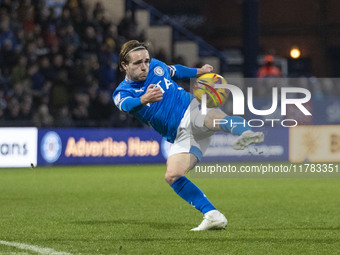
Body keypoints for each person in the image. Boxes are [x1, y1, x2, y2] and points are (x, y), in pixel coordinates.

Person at [112, 40, 264, 231]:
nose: (144, 66)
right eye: (137, 63)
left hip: (190, 109)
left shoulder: (156, 66)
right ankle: (213, 215)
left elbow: (176, 70)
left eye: (146, 61)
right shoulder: (121, 92)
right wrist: (143, 99)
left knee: (209, 118)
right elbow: (126, 105)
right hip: (180, 135)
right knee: (173, 175)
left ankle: (247, 132)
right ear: (124, 66)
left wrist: (199, 71)